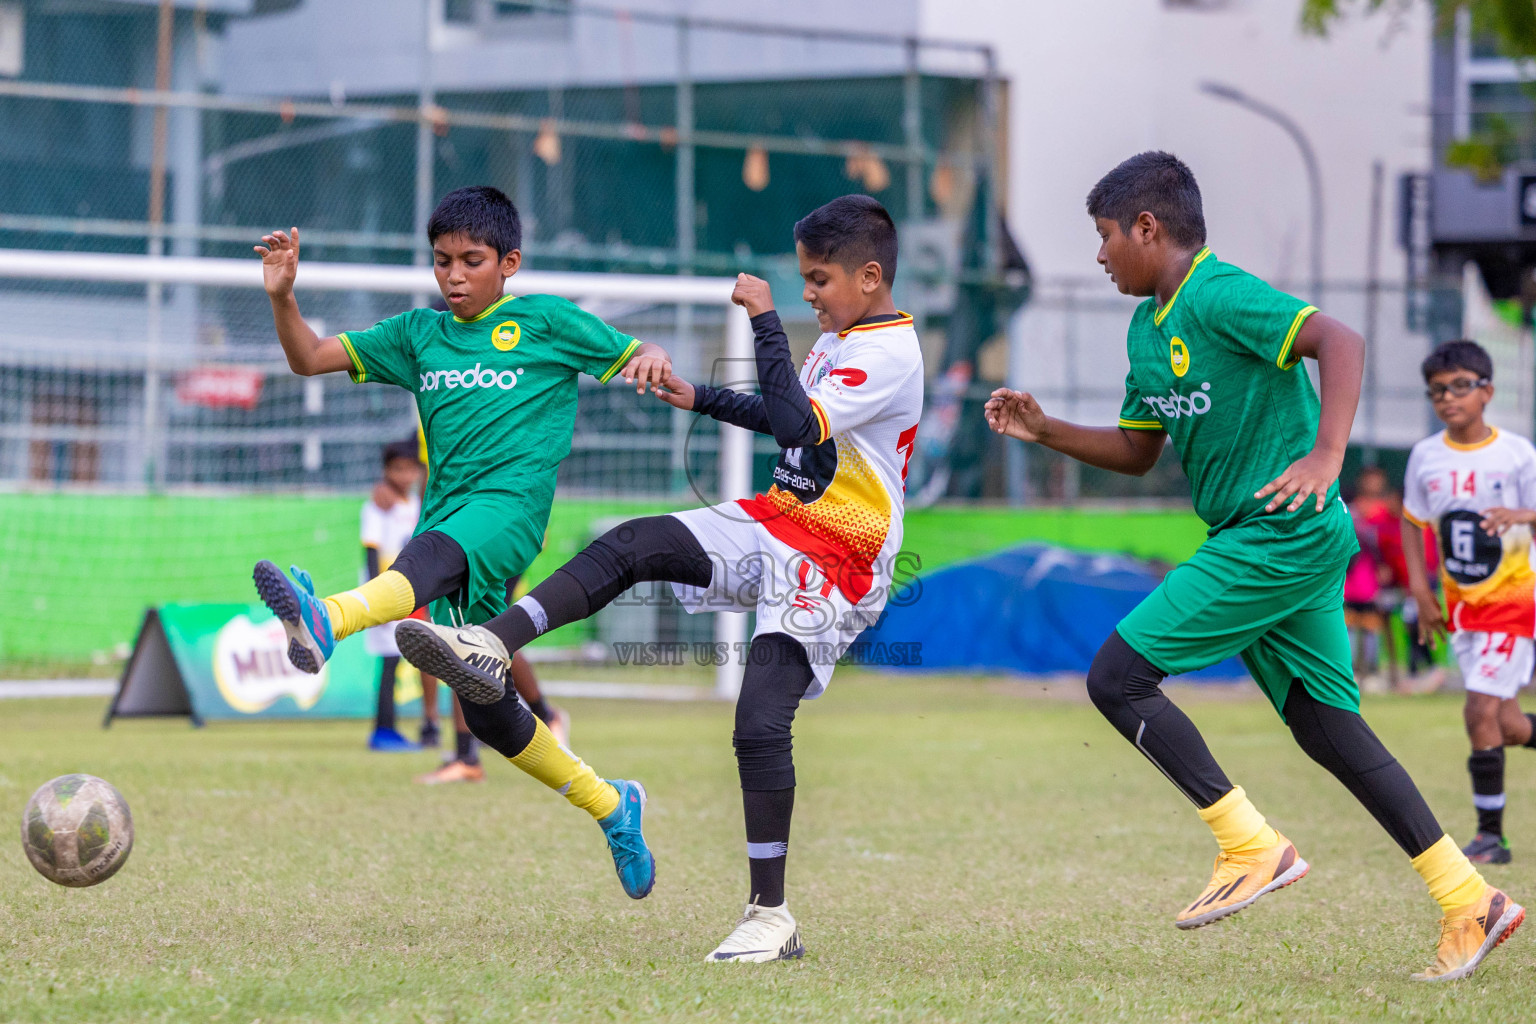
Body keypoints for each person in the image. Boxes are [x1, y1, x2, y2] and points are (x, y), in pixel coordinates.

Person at [984, 152, 1523, 982]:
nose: (1098, 257)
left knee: (1117, 678)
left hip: (1277, 534)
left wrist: (1328, 452)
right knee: (1327, 728)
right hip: (1273, 538)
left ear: (1147, 228)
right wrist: (1047, 429)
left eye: (1104, 237)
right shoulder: (1147, 327)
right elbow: (1138, 450)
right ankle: (1468, 897)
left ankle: (1250, 846)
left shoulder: (1218, 292)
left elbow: (1338, 338)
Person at [392, 195, 923, 963]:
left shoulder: (890, 351)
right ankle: (487, 645)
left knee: (758, 722)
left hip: (841, 554)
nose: (809, 291)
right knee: (635, 542)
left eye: (819, 279)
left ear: (869, 277)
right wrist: (699, 395)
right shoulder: (847, 333)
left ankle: (769, 916)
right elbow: (791, 425)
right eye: (803, 280)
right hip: (779, 522)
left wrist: (766, 320)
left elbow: (799, 424)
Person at [247, 185, 670, 899]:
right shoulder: (419, 333)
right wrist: (283, 298)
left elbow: (635, 349)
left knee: (430, 551)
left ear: (509, 262)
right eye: (441, 261)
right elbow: (309, 357)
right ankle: (610, 803)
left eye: (470, 261)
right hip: (444, 520)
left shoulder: (546, 322)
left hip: (508, 516)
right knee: (485, 710)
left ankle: (329, 620)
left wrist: (651, 356)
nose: (453, 276)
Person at [1402, 339, 1536, 865]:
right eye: (1438, 390)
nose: (1448, 398)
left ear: (1487, 392)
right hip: (1461, 609)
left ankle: (1490, 837)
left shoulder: (1517, 452)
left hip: (1513, 603)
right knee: (1504, 723)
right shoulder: (1425, 456)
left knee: (1476, 706)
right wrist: (1420, 589)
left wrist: (1517, 516)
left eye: (1460, 386)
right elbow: (1413, 523)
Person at [361, 438, 431, 752]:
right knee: (388, 661)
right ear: (386, 471)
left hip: (410, 593)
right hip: (385, 592)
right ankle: (383, 730)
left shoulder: (415, 505)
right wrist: (376, 597)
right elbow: (371, 551)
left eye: (409, 469)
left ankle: (402, 727)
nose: (404, 476)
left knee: (406, 658)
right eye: (397, 469)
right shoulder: (378, 505)